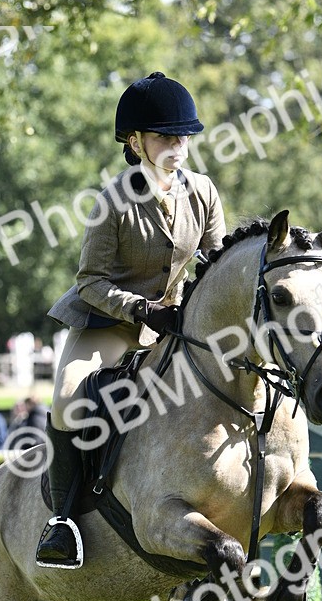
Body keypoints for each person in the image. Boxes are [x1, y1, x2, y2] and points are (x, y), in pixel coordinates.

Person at [36, 71, 226, 568]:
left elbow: (216, 263)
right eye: (165, 136)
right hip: (110, 321)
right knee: (66, 399)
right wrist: (141, 309)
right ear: (135, 142)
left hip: (176, 321)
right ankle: (62, 522)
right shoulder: (113, 201)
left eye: (183, 136)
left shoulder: (203, 192)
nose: (178, 145)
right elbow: (90, 283)